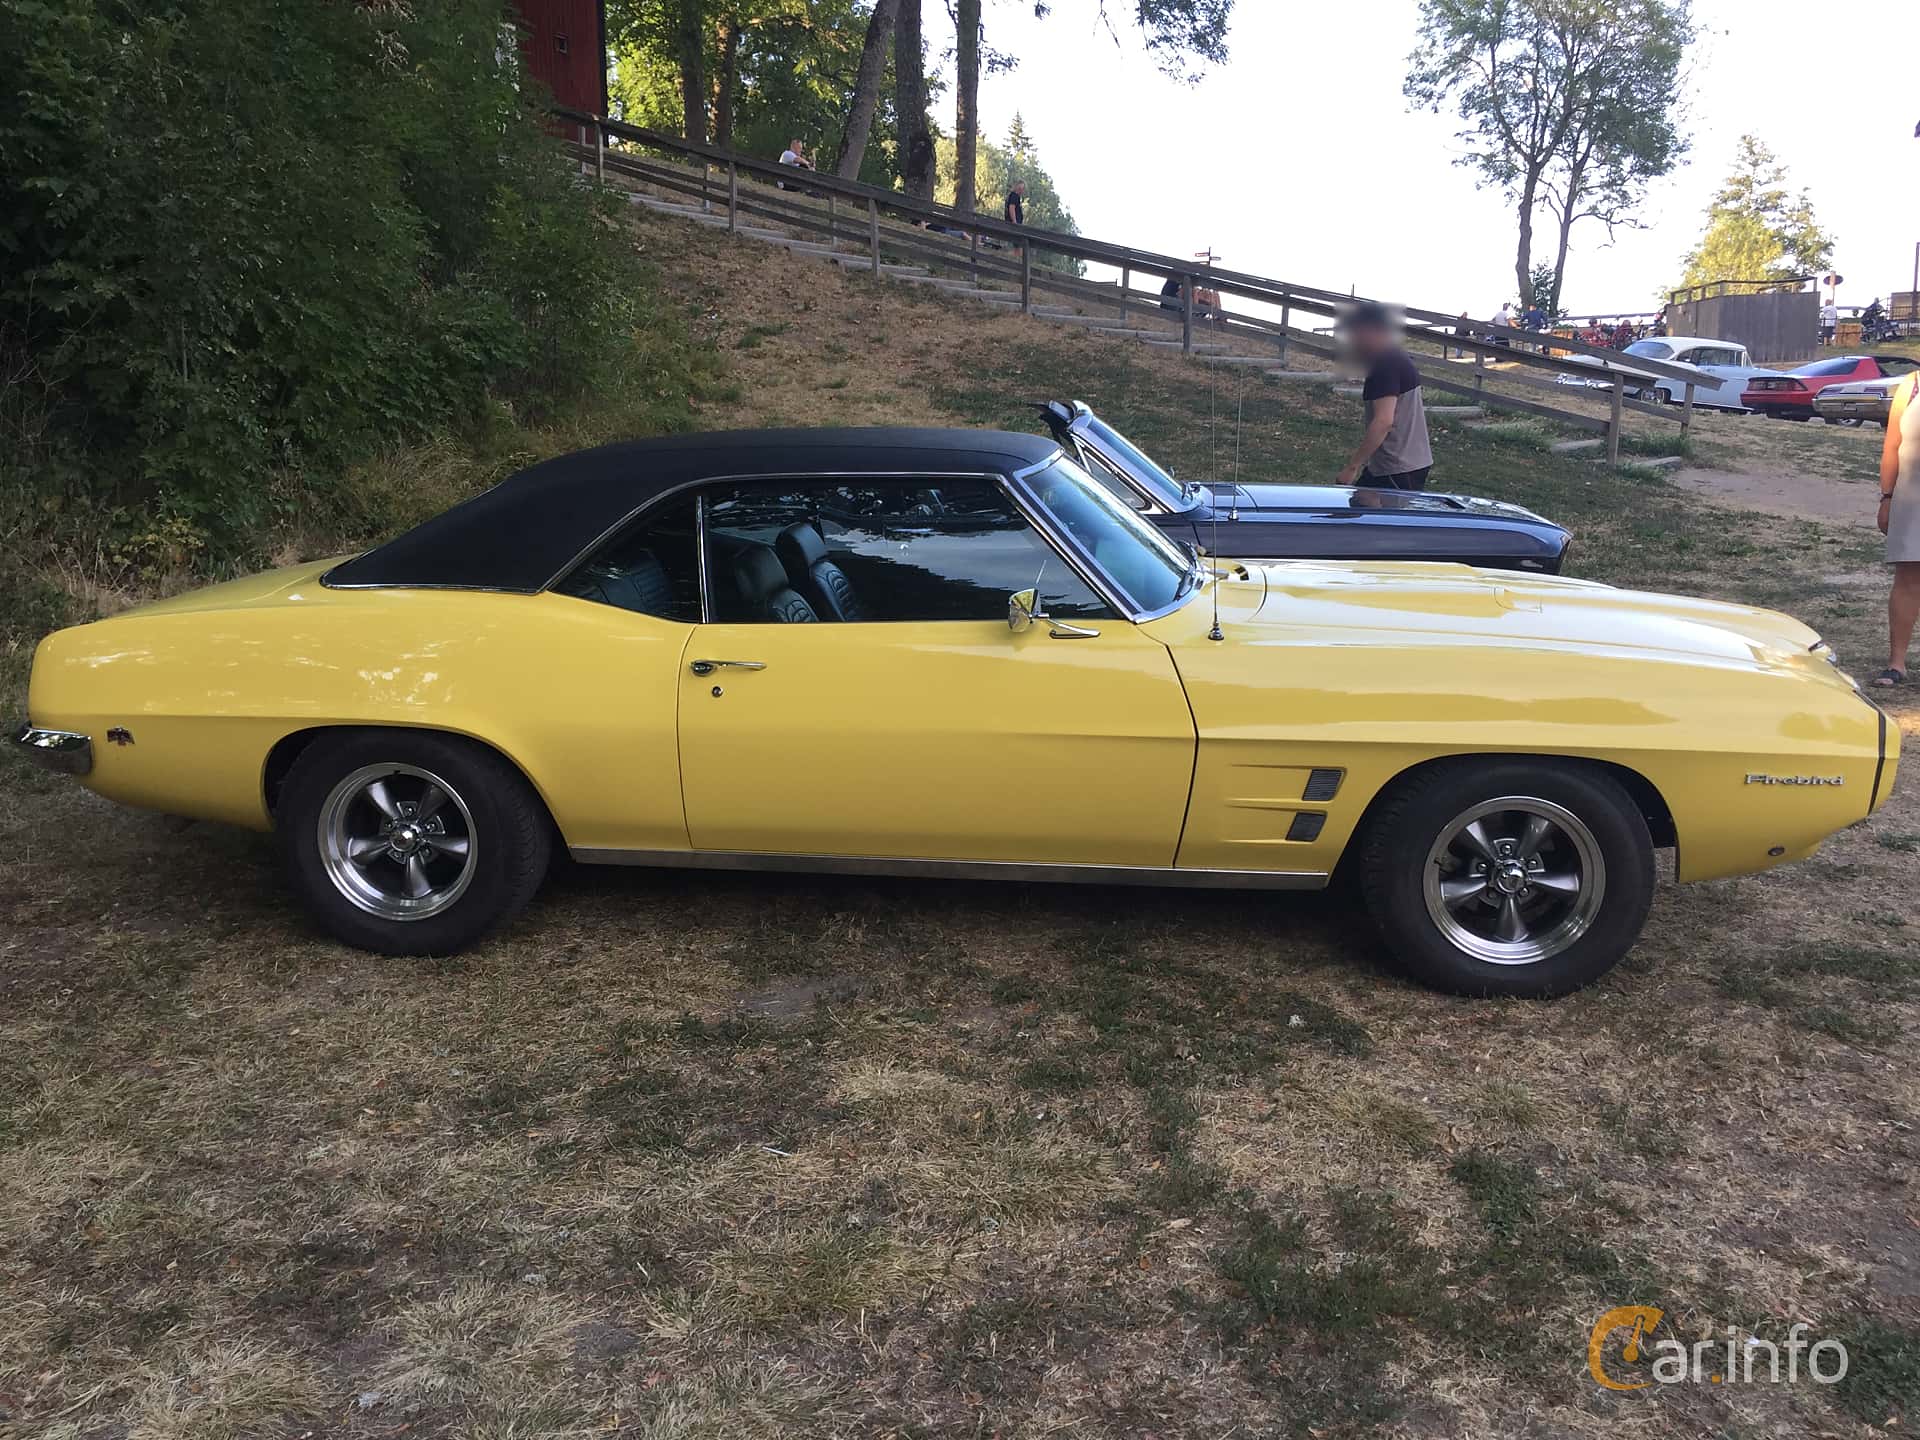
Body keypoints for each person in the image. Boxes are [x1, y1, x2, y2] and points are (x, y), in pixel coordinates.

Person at [1334, 301, 1433, 492]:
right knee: (1357, 513)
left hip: (1398, 467)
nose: (1353, 339)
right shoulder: (1394, 357)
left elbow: (1383, 422)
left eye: (1356, 332)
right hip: (1396, 465)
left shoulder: (1385, 364)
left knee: (1375, 519)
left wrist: (1352, 467)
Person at [1875, 371, 1920, 685]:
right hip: (1912, 496)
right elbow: (1892, 446)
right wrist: (1887, 496)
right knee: (1909, 577)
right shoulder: (1912, 385)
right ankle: (1897, 664)